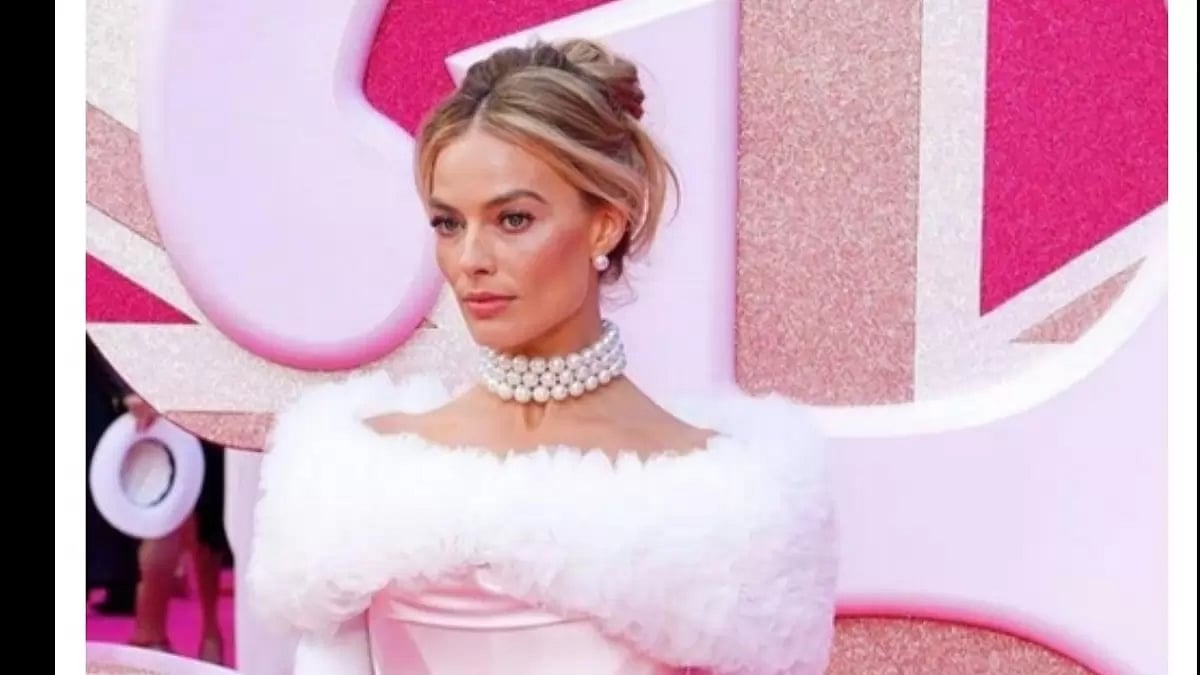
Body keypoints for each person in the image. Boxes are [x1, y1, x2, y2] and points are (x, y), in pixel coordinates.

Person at [246, 39, 838, 675]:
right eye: (448, 224)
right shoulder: (351, 472)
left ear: (604, 225)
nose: (471, 259)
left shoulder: (733, 503)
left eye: (513, 220)